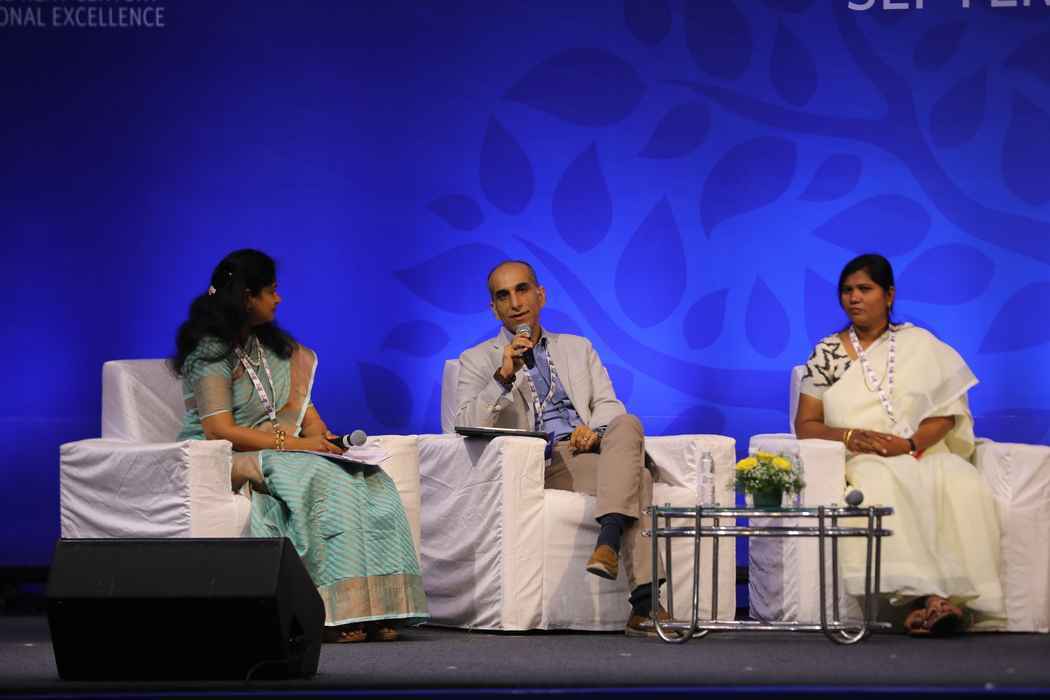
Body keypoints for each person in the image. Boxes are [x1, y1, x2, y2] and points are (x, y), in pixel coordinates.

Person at [171, 249, 428, 643]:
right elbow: (219, 429)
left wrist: (322, 438)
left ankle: (378, 606)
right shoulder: (210, 352)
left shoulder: (270, 346)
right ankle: (330, 612)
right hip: (224, 455)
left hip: (280, 449)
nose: (279, 299)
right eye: (271, 291)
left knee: (370, 478)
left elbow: (302, 409)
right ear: (247, 298)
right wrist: (295, 444)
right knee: (320, 478)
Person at [794, 253, 1004, 636]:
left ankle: (949, 602)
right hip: (863, 457)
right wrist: (851, 436)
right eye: (847, 290)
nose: (853, 298)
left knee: (961, 481)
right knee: (882, 482)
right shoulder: (827, 353)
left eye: (864, 289)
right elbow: (805, 424)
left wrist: (907, 444)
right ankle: (927, 601)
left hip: (919, 450)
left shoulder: (920, 344)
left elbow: (945, 414)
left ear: (889, 295)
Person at [454, 260, 665, 637]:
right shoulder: (478, 359)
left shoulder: (577, 348)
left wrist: (594, 432)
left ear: (541, 295)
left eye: (522, 290)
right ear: (494, 309)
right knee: (640, 477)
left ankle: (609, 544)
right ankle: (643, 601)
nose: (515, 302)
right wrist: (502, 377)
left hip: (593, 448)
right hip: (546, 460)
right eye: (503, 296)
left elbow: (608, 404)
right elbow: (462, 423)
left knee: (628, 422)